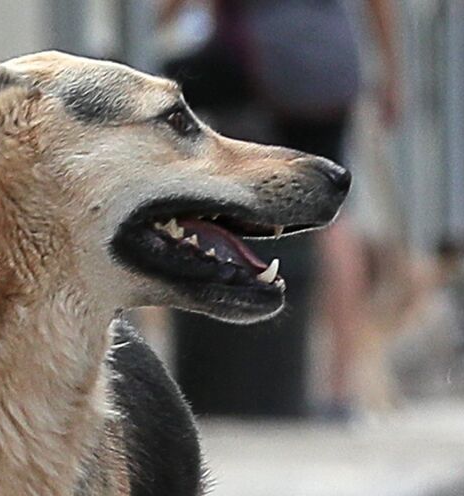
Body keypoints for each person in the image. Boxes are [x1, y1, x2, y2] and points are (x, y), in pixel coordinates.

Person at [161, 0, 401, 419]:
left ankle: (173, 367)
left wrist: (152, 26)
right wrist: (392, 73)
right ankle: (341, 391)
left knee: (155, 107)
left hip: (261, 60)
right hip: (332, 68)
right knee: (335, 219)